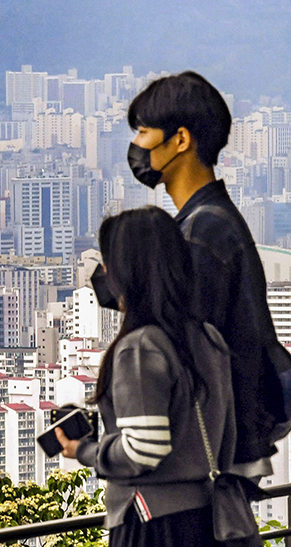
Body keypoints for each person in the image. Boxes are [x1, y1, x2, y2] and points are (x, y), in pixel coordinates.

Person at [125, 71, 288, 474]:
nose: (137, 146)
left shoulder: (203, 230)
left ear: (180, 140)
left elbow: (183, 332)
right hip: (228, 442)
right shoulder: (206, 220)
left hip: (213, 456)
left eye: (144, 132)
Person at [58, 207, 238, 547]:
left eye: (109, 265)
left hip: (154, 528)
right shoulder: (208, 337)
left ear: (130, 270)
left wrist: (85, 450)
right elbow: (227, 434)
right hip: (207, 519)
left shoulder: (141, 347)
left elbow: (143, 451)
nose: (103, 277)